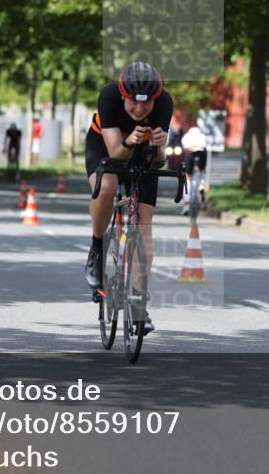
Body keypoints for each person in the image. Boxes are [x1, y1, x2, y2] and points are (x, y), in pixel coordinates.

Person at [84, 62, 172, 335]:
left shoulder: (164, 103)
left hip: (143, 153)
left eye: (146, 105)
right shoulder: (108, 97)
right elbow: (113, 152)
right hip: (107, 147)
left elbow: (160, 159)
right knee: (107, 187)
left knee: (144, 223)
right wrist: (130, 141)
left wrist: (158, 147)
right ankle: (98, 247)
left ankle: (138, 304)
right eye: (134, 103)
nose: (139, 110)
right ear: (123, 95)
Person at [180, 124, 208, 214]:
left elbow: (184, 146)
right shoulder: (203, 136)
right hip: (202, 153)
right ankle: (201, 185)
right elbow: (206, 145)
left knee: (188, 178)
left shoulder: (187, 136)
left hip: (190, 153)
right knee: (202, 171)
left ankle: (187, 204)